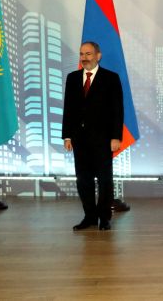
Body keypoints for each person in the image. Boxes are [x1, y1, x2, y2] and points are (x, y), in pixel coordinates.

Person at [63, 41, 124, 231]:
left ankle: (104, 217)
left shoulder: (111, 78)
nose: (84, 58)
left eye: (88, 54)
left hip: (103, 139)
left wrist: (116, 137)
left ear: (98, 56)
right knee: (83, 180)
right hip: (79, 139)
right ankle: (89, 216)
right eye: (82, 54)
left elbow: (117, 110)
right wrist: (67, 136)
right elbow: (68, 108)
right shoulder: (72, 78)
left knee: (104, 180)